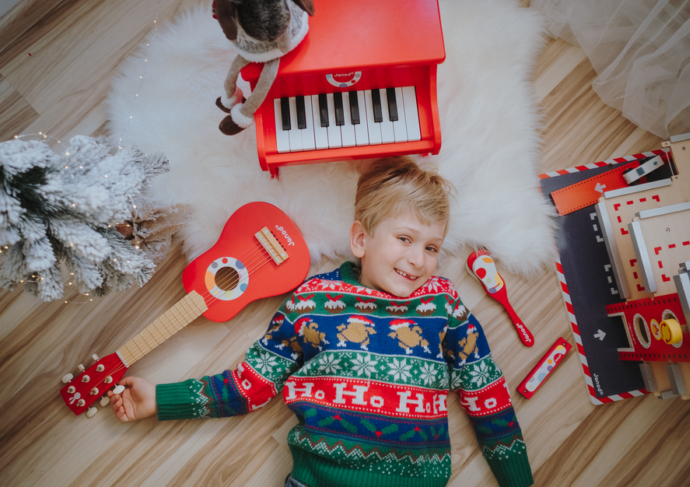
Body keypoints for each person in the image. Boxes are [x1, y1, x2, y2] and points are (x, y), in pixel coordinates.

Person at [108, 156, 534, 487]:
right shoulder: (313, 300)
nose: (418, 259)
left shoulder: (443, 303)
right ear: (360, 239)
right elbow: (250, 385)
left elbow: (487, 393)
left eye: (431, 246)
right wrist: (161, 400)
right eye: (404, 239)